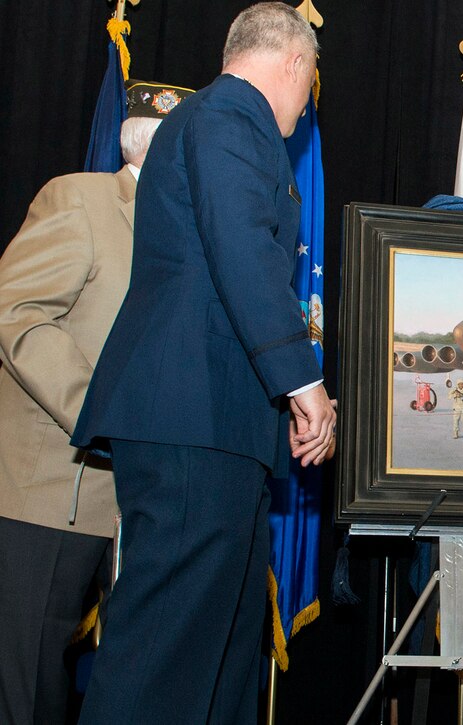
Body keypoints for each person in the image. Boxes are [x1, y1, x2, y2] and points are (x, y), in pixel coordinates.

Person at [70, 4, 336, 723]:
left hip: (216, 423)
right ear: (293, 62)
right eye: (311, 77)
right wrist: (303, 382)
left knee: (213, 655)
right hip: (192, 424)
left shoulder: (216, 122)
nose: (308, 99)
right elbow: (244, 253)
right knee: (163, 651)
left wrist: (269, 397)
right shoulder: (229, 118)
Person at [0, 81, 191, 724]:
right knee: (28, 689)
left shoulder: (189, 235)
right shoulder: (78, 200)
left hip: (139, 506)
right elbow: (17, 314)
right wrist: (95, 409)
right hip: (47, 491)